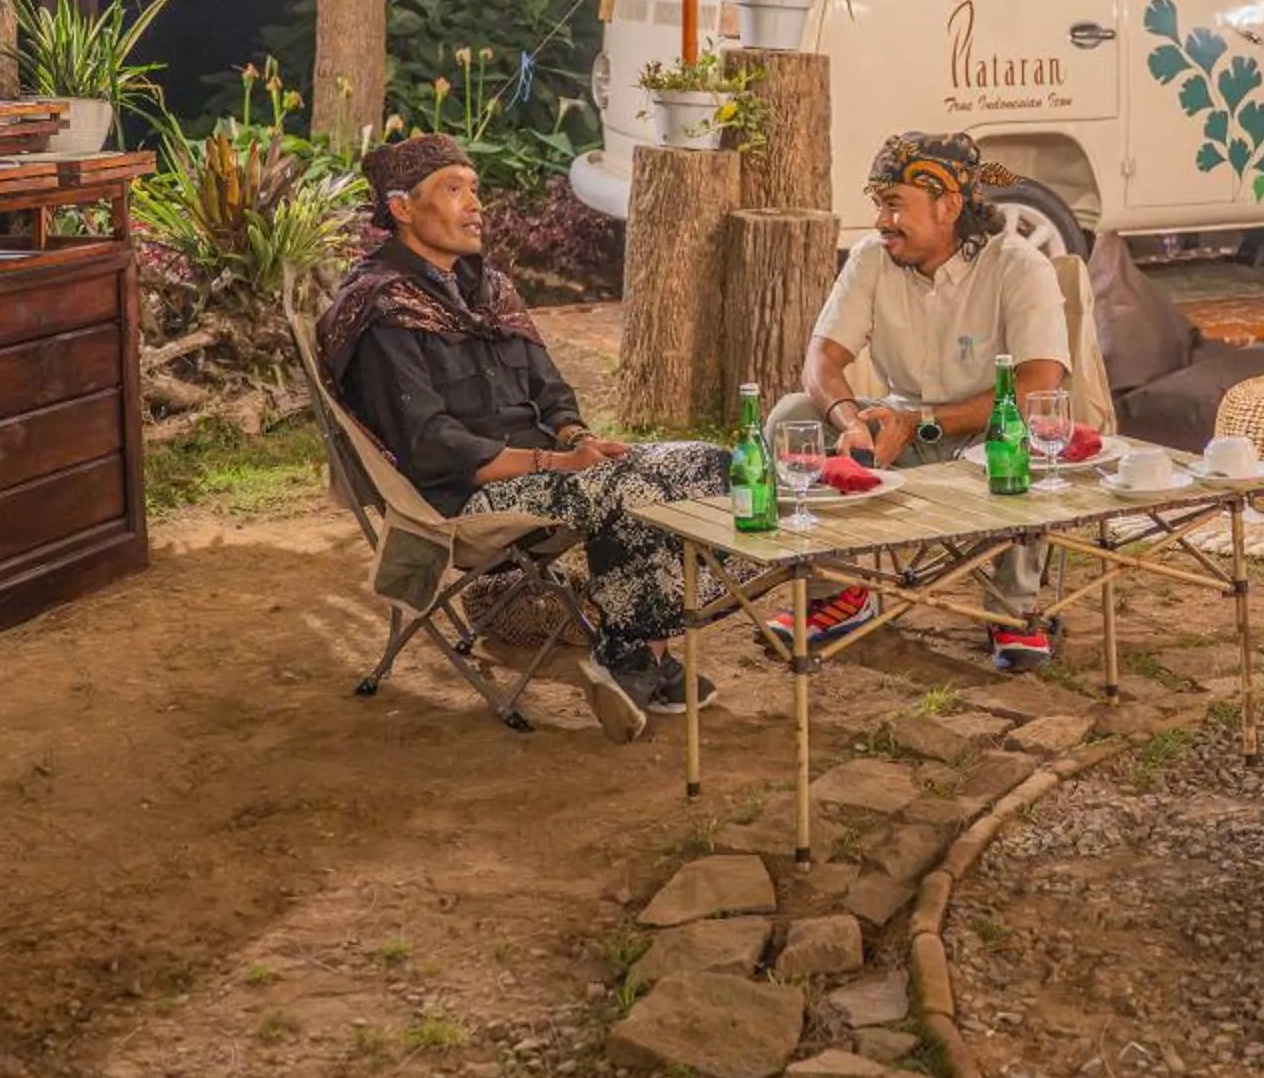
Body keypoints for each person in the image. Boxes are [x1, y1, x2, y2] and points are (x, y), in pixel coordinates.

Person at [317, 132, 724, 742]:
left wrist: (576, 436)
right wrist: (555, 462)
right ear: (402, 209)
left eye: (474, 189)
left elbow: (550, 387)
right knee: (622, 488)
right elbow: (431, 446)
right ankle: (633, 656)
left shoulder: (487, 290)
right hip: (463, 492)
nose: (474, 204)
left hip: (550, 467)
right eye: (453, 191)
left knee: (714, 466)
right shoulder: (384, 309)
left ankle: (637, 648)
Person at [768, 132, 1071, 671]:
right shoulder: (871, 258)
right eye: (878, 205)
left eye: (894, 206)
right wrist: (851, 422)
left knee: (1018, 434)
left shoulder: (1020, 266)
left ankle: (1013, 612)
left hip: (984, 436)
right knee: (792, 416)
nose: (882, 222)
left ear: (948, 206)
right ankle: (840, 595)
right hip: (896, 432)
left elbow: (1037, 389)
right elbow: (821, 360)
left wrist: (923, 421)